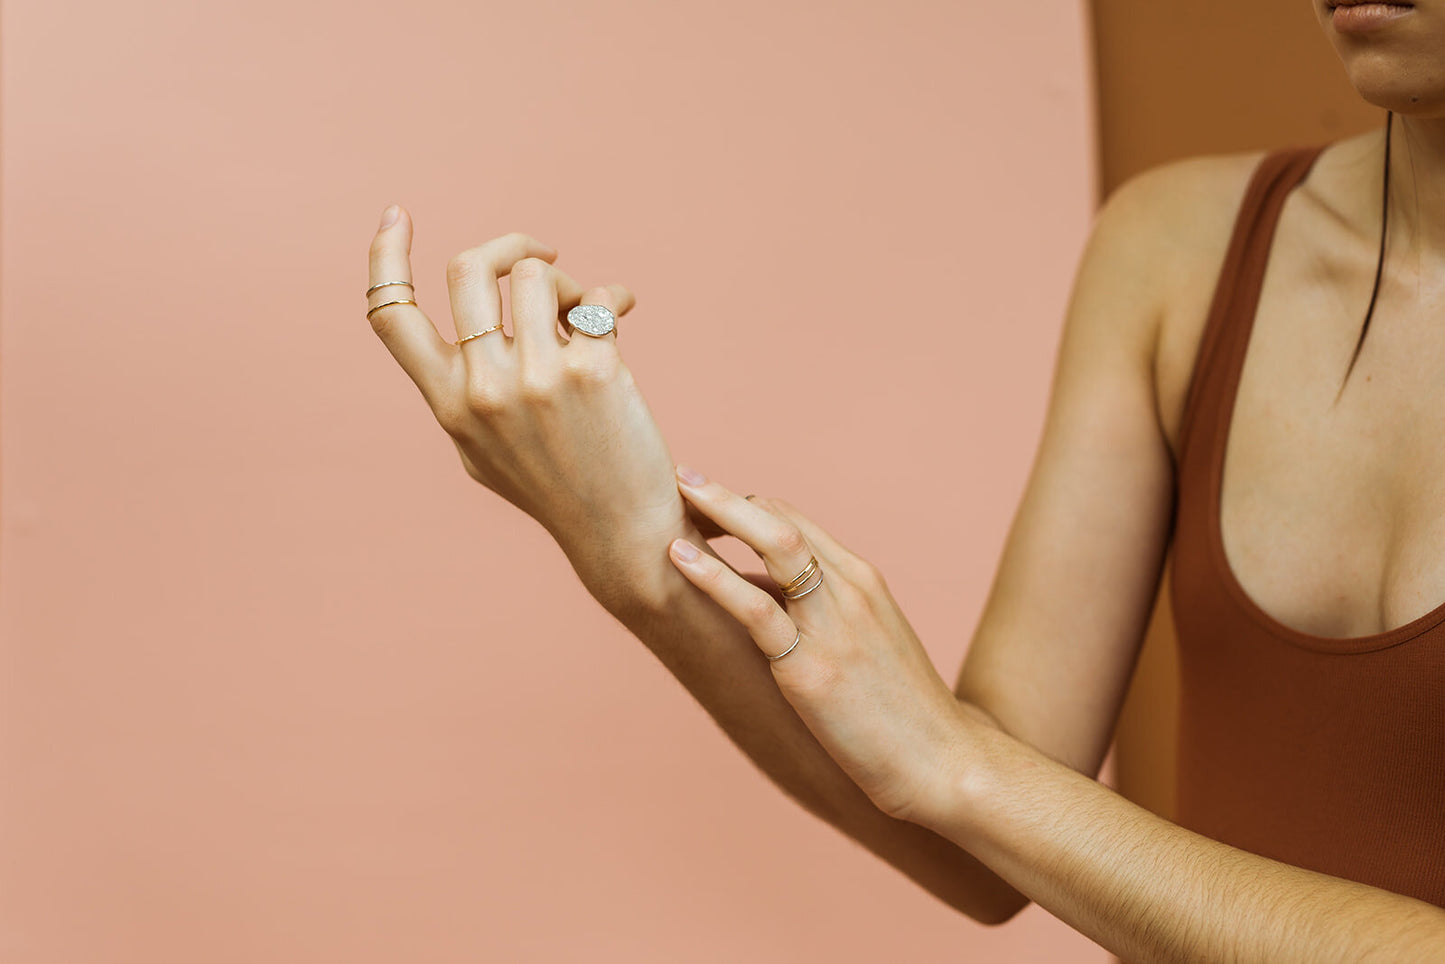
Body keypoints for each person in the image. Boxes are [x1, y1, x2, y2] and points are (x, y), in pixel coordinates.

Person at [362, 2, 1445, 958]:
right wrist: (637, 546)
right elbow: (981, 839)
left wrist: (960, 760)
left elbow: (972, 775)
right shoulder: (1177, 251)